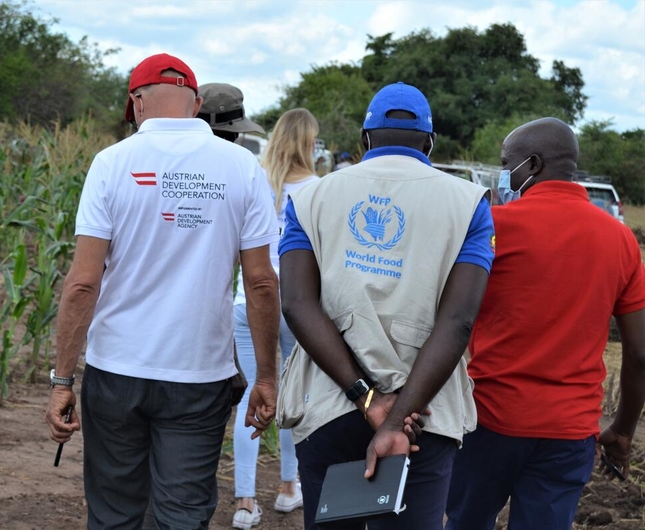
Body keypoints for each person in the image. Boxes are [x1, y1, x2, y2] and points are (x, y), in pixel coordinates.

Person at [44, 53, 281, 530]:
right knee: (183, 513)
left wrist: (62, 380)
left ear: (136, 104)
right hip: (198, 375)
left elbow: (83, 283)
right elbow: (260, 282)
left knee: (114, 513)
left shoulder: (111, 163)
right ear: (195, 104)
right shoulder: (242, 167)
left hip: (116, 373)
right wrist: (267, 377)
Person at [277, 81, 495, 529]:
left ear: (365, 139)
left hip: (330, 406)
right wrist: (397, 419)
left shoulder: (310, 198)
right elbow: (457, 322)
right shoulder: (469, 204)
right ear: (430, 142)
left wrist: (367, 397)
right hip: (424, 416)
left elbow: (298, 305)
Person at [445, 117, 645, 530]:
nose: (502, 175)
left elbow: (452, 320)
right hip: (570, 432)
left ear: (532, 165)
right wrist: (622, 431)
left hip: (489, 421)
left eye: (506, 163)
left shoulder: (494, 228)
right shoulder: (620, 239)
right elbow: (641, 352)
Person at [227, 108, 320, 529]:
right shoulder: (320, 189)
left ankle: (245, 501)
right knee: (291, 398)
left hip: (248, 300)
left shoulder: (253, 180)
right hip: (293, 303)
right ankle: (288, 487)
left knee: (251, 397)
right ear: (309, 143)